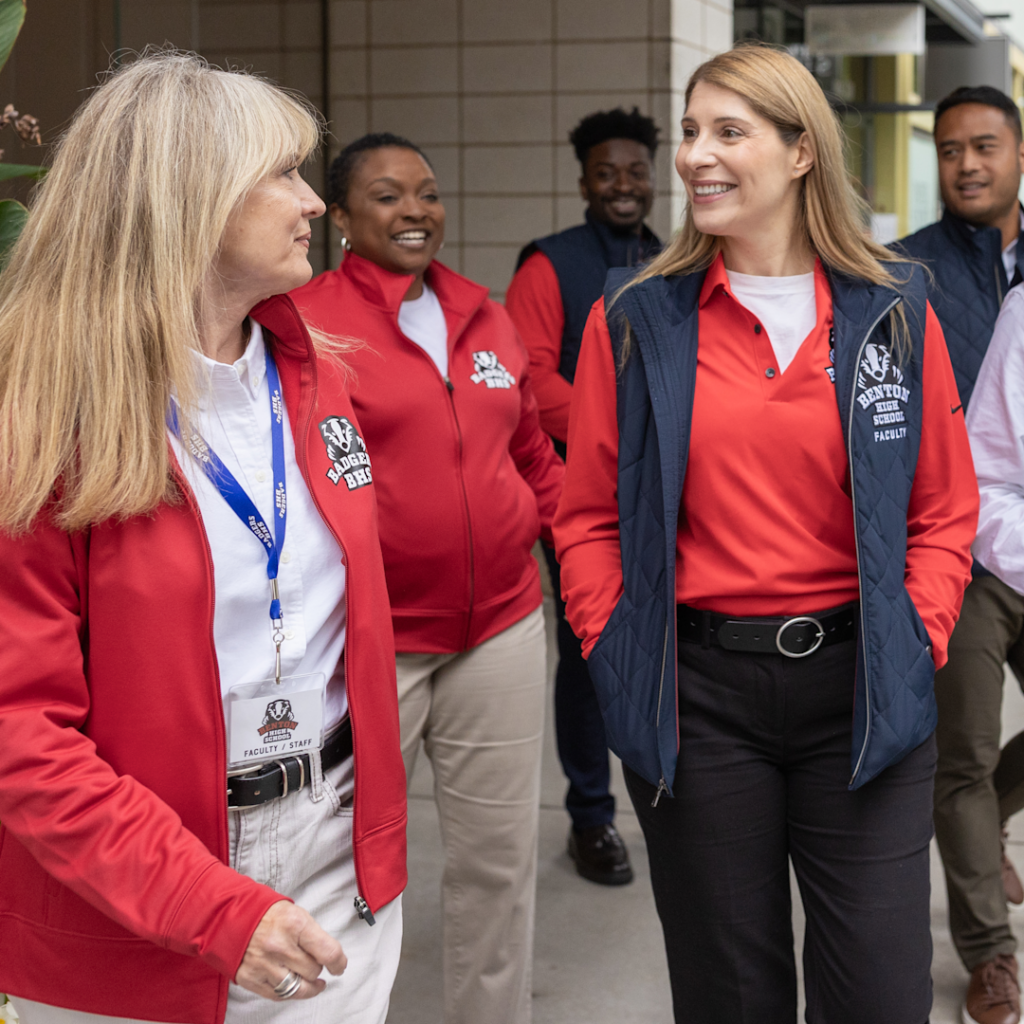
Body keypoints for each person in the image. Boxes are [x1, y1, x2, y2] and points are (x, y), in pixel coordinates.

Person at [553, 44, 978, 1024]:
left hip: (865, 684)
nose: (696, 155)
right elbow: (583, 517)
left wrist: (916, 635)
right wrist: (614, 644)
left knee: (878, 993)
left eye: (727, 132)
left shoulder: (893, 308)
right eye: (691, 132)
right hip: (696, 701)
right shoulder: (634, 317)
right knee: (729, 995)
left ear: (798, 153)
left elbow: (943, 508)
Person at [0, 53, 406, 1024]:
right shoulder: (38, 418)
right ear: (185, 195)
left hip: (336, 876)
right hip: (141, 907)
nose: (313, 200)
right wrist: (210, 905)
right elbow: (21, 734)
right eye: (282, 173)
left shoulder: (316, 379)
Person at [291, 133, 563, 1024]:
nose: (414, 210)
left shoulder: (484, 314)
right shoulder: (308, 321)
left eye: (428, 193)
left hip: (504, 628)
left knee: (499, 860)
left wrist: (579, 553)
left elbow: (531, 455)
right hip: (378, 635)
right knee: (344, 857)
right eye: (386, 195)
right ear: (338, 217)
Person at [505, 107, 662, 886]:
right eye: (608, 173)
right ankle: (592, 817)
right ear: (583, 183)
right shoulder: (549, 265)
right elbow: (530, 384)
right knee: (589, 651)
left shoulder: (676, 261)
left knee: (667, 637)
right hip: (577, 494)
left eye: (635, 171)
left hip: (667, 493)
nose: (623, 186)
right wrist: (629, 429)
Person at [897, 84, 1024, 1024]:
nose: (967, 164)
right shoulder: (906, 271)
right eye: (949, 149)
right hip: (957, 545)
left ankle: (985, 832)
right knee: (963, 760)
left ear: (1018, 153)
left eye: (985, 145)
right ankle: (988, 952)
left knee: (979, 788)